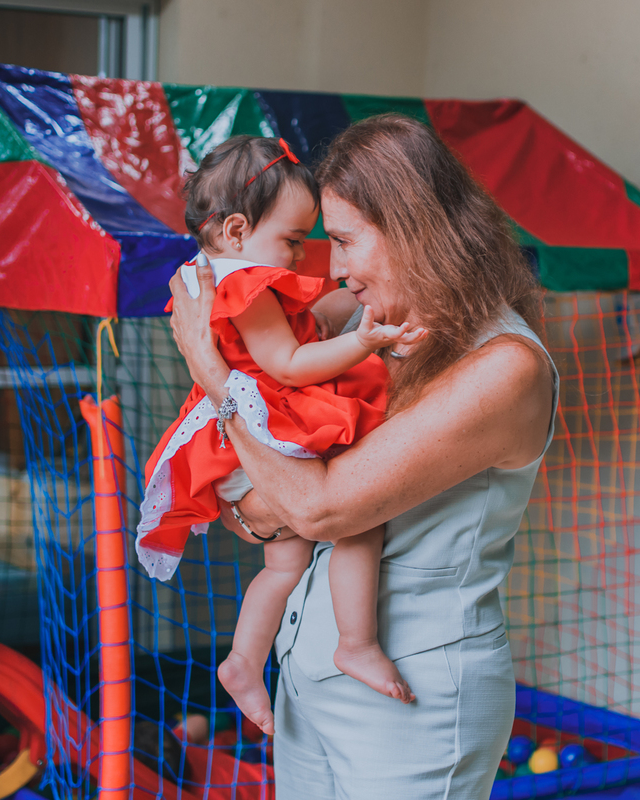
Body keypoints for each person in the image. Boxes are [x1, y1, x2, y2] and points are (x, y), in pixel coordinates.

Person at [167, 114, 558, 799]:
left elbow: (318, 506)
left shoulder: (505, 366)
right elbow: (266, 503)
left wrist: (214, 377)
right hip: (306, 668)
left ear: (413, 229)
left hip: (411, 696)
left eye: (345, 242)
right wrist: (264, 507)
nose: (337, 269)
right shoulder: (366, 325)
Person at [138, 135, 425, 735]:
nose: (302, 255)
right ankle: (357, 640)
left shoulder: (211, 273)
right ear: (238, 231)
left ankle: (244, 659)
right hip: (256, 417)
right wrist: (365, 342)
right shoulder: (246, 284)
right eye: (294, 239)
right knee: (357, 516)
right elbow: (289, 366)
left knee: (284, 562)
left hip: (234, 428)